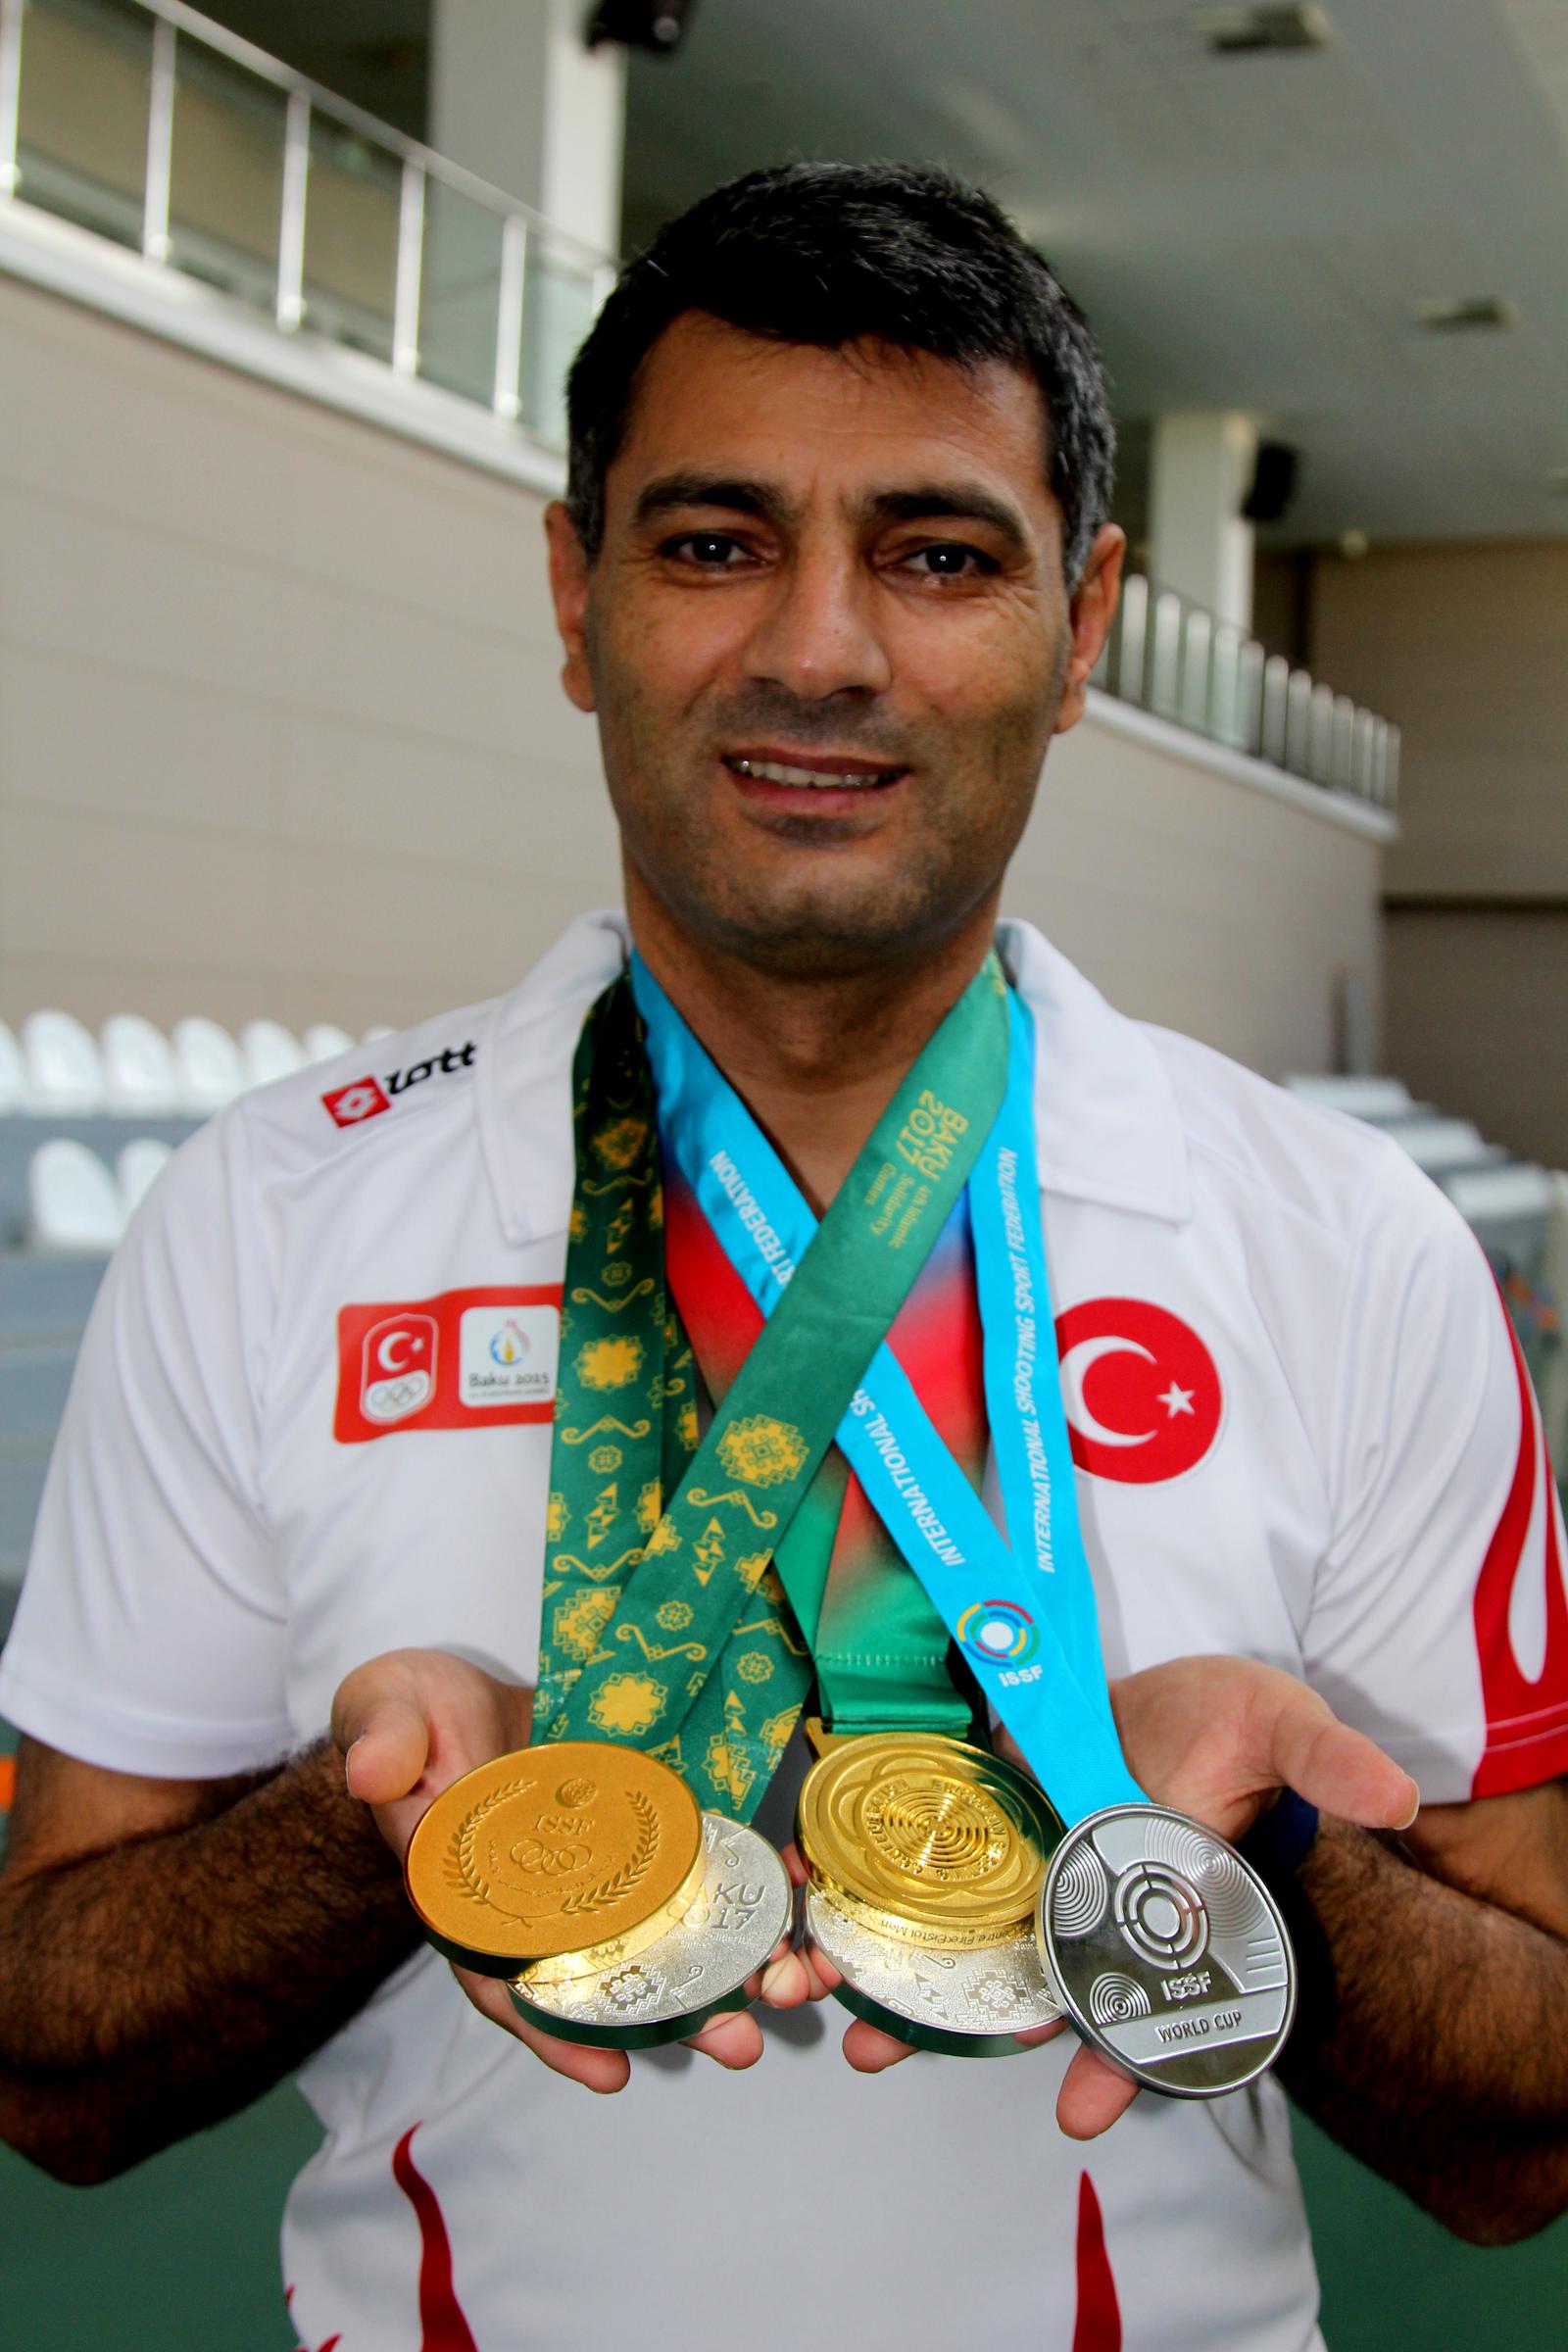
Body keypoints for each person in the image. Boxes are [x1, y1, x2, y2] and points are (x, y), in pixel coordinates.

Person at [2, 161, 1567, 2352]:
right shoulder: (274, 1214)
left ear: (1086, 621)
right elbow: (45, 2056)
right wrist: (367, 1838)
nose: (817, 649)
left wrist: (1240, 1872)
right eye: (714, 542)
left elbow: (1527, 2133)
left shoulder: (1339, 1248)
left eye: (935, 556)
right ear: (573, 594)